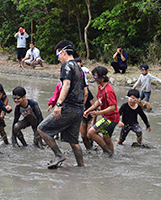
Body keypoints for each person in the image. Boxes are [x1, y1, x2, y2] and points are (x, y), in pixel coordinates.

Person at [37, 40, 87, 169]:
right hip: (78, 109)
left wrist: (58, 105)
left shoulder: (67, 66)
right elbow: (85, 91)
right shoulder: (80, 69)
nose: (58, 59)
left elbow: (66, 85)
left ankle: (59, 155)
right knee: (73, 141)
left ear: (63, 52)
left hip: (68, 108)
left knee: (42, 129)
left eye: (57, 55)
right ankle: (81, 167)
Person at [83, 66, 120, 156]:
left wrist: (98, 113)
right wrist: (88, 110)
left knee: (91, 132)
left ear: (103, 77)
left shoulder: (108, 90)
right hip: (110, 117)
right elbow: (98, 102)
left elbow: (113, 107)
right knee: (107, 139)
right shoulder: (101, 87)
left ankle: (107, 151)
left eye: (96, 77)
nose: (94, 79)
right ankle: (111, 156)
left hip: (111, 118)